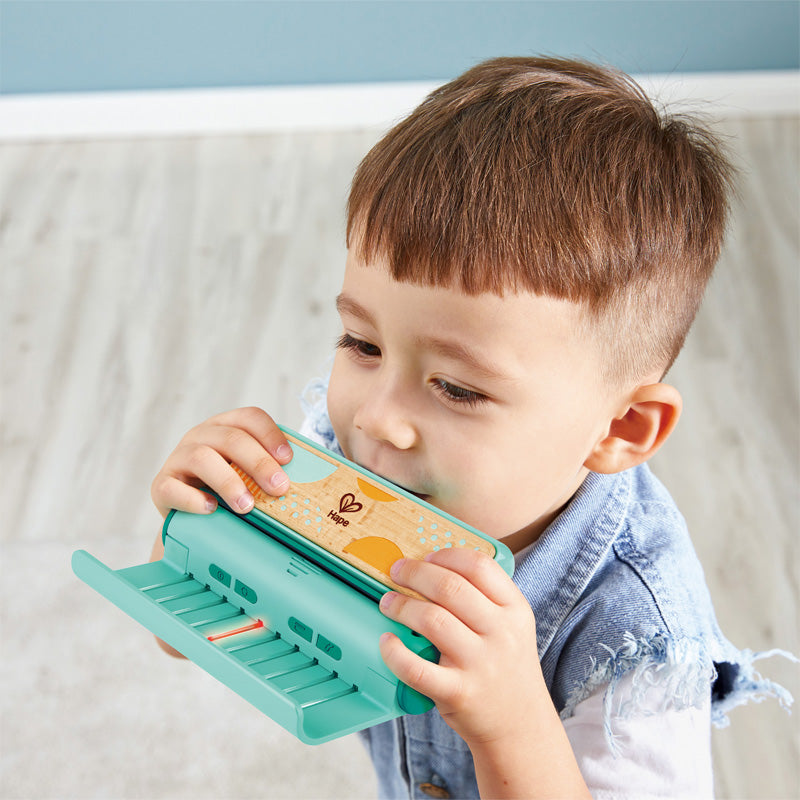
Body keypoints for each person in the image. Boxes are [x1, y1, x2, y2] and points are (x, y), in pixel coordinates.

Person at [149, 57, 793, 798]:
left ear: (621, 427)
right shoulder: (341, 475)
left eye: (455, 388)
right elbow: (188, 636)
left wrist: (511, 721)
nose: (376, 418)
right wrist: (190, 536)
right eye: (363, 345)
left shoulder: (636, 637)